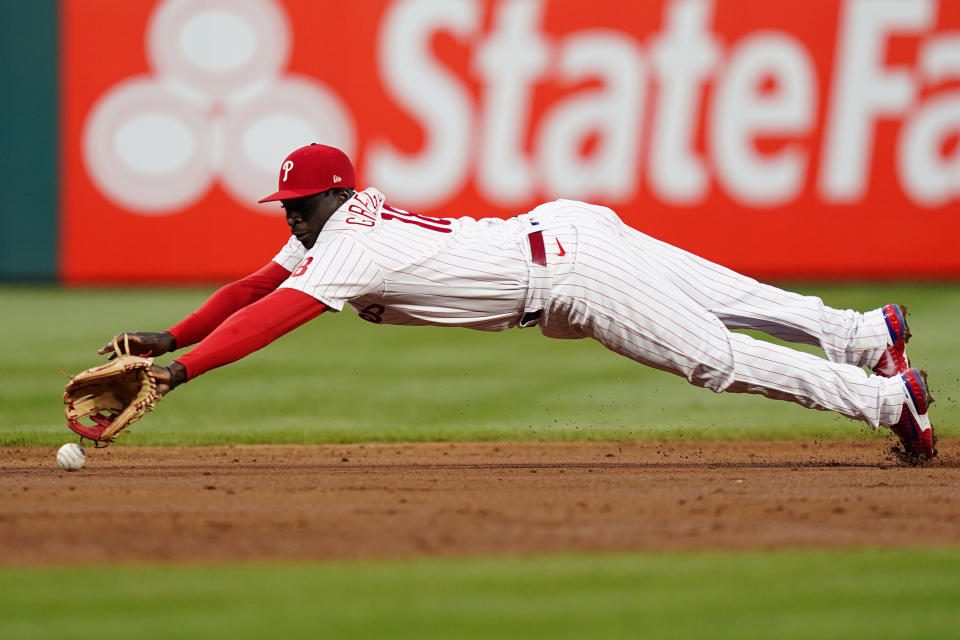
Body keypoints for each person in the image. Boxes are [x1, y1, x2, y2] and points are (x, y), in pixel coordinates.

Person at [98, 143, 936, 461]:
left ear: (333, 196)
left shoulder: (349, 241)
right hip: (564, 228)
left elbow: (276, 316)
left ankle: (885, 395)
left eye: (297, 204)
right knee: (732, 296)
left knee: (716, 355)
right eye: (284, 205)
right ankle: (861, 333)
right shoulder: (338, 221)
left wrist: (179, 371)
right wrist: (171, 332)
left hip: (569, 275)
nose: (288, 215)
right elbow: (254, 286)